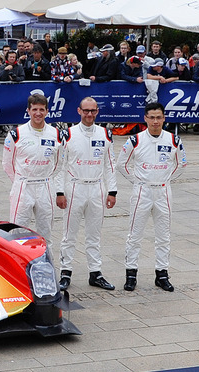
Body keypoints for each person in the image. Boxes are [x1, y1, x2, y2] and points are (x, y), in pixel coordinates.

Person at [117, 102, 186, 292]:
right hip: (142, 192)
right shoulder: (135, 140)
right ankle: (131, 274)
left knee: (163, 235)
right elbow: (121, 164)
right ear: (145, 118)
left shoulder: (174, 140)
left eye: (159, 117)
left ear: (164, 118)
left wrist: (165, 180)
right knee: (135, 235)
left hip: (163, 192)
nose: (155, 121)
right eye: (152, 117)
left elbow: (181, 164)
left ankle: (162, 274)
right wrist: (137, 181)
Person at [57, 98, 118, 291]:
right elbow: (60, 165)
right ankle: (65, 272)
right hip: (75, 188)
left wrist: (112, 191)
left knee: (94, 234)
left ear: (97, 111)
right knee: (69, 234)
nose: (89, 114)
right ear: (79, 110)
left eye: (93, 111)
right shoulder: (68, 134)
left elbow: (110, 165)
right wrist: (60, 191)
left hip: (97, 188)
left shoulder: (105, 134)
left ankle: (95, 273)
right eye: (86, 111)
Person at [2, 93, 64, 258]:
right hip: (23, 186)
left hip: (45, 186)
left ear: (47, 111)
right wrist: (20, 182)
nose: (38, 113)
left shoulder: (55, 134)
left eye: (41, 109)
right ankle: (17, 266)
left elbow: (59, 163)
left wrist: (47, 178)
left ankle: (45, 266)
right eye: (34, 109)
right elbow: (7, 164)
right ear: (28, 111)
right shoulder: (16, 134)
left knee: (46, 231)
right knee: (17, 230)